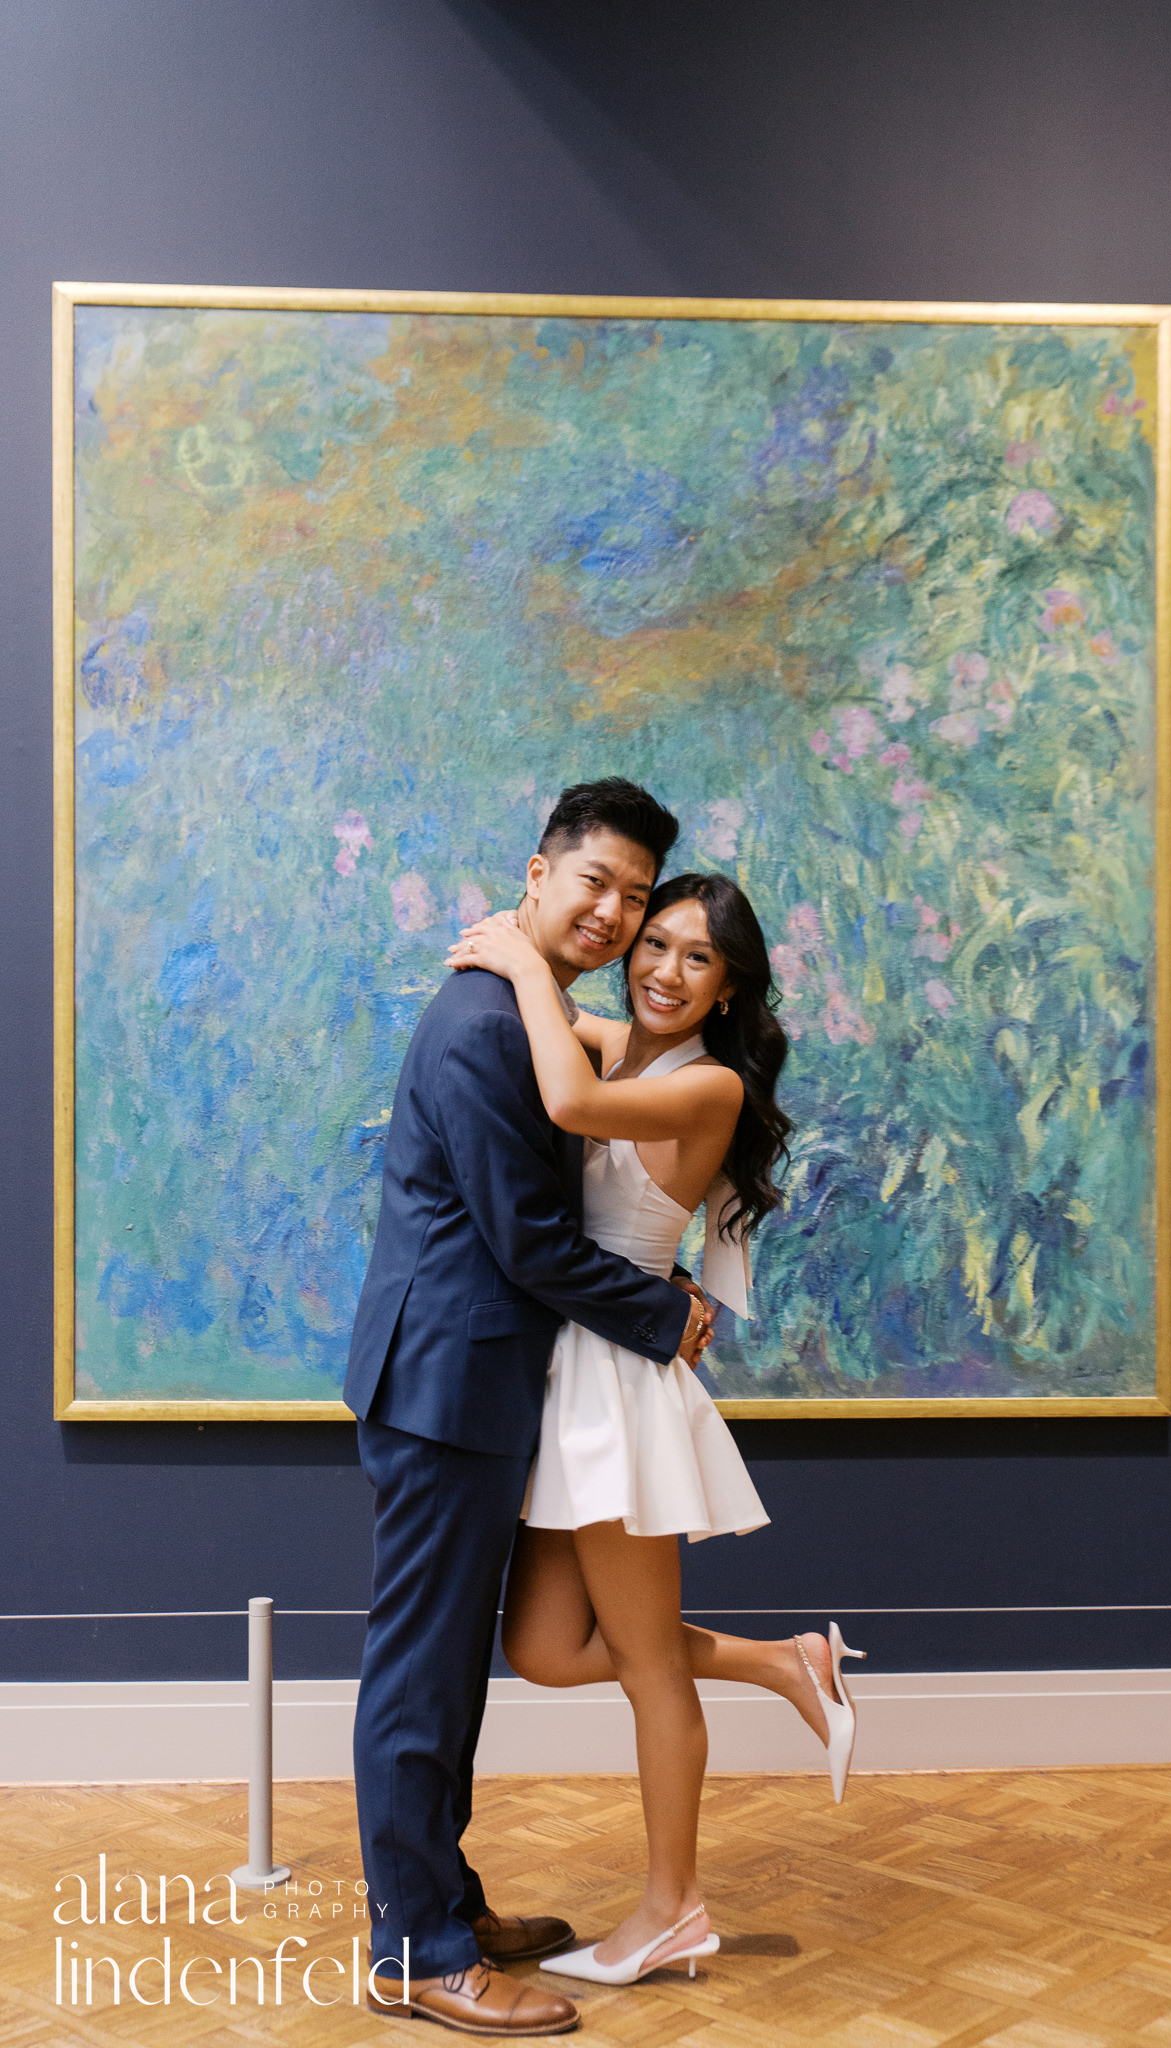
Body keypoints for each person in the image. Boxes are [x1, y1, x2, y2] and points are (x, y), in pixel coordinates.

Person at [344, 780, 715, 2038]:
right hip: (446, 1380)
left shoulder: (527, 1004)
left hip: (477, 1377)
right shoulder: (484, 1023)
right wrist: (665, 1314)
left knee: (449, 1668)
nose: (614, 912)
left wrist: (527, 964)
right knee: (422, 1671)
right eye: (593, 882)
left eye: (634, 893)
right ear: (537, 872)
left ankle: (443, 1897)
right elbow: (526, 1236)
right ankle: (416, 1949)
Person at [449, 869, 865, 1990]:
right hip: (572, 1358)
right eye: (655, 943)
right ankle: (785, 1660)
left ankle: (671, 1905)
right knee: (541, 1647)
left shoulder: (710, 1085)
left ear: (728, 990)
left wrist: (526, 960)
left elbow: (575, 1110)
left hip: (619, 1376)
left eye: (696, 958)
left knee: (645, 1668)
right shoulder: (620, 1039)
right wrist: (524, 964)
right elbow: (577, 1041)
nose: (663, 969)